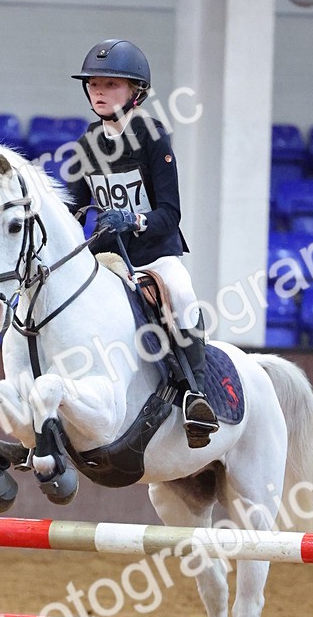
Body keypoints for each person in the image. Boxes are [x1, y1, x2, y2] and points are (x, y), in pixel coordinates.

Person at [65, 38, 218, 449]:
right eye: (94, 83)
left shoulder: (152, 137)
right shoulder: (85, 145)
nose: (99, 91)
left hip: (154, 256)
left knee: (184, 293)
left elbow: (171, 213)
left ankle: (195, 395)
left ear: (136, 92)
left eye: (111, 84)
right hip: (107, 258)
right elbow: (73, 206)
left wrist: (132, 219)